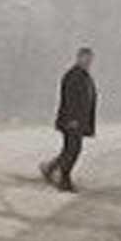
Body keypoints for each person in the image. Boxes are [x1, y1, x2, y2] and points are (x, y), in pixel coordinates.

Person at [39, 47, 98, 192]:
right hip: (72, 121)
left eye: (90, 59)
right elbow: (70, 99)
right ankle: (64, 179)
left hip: (78, 121)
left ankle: (50, 168)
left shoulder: (84, 76)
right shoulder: (74, 75)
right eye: (85, 58)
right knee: (73, 150)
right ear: (78, 58)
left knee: (69, 150)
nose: (88, 61)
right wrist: (72, 119)